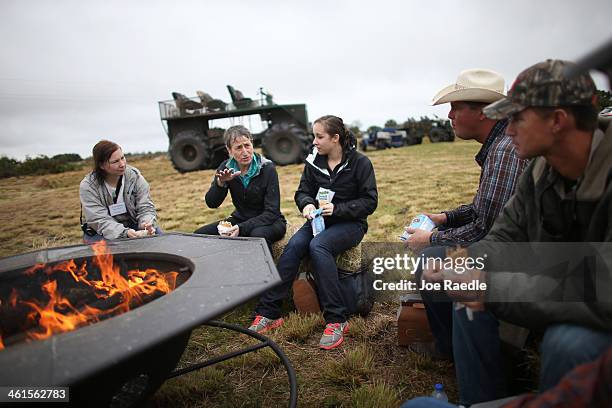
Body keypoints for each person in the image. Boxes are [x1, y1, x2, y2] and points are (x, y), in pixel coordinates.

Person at [423, 59, 612, 406]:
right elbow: (504, 236)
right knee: (467, 296)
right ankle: (480, 398)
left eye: (518, 118)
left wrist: (490, 287)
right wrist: (465, 261)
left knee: (569, 342)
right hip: (552, 280)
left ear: (557, 120)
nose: (508, 130)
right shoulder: (541, 168)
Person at [407, 69, 528, 360]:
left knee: (430, 259)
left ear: (484, 113)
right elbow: (482, 209)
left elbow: (487, 229)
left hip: (517, 255)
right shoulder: (500, 145)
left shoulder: (504, 151)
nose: (450, 116)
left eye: (456, 107)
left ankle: (449, 348)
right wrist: (445, 218)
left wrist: (431, 238)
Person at [247, 115, 378, 350]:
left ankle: (337, 320)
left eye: (319, 136)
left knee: (318, 247)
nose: (314, 142)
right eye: (313, 137)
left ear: (335, 138)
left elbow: (370, 202)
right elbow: (302, 192)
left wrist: (339, 208)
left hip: (351, 224)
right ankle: (269, 312)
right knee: (295, 245)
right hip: (318, 221)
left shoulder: (361, 163)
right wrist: (306, 204)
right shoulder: (313, 161)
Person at [194, 125, 286, 248]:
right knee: (199, 235)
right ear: (229, 150)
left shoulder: (267, 168)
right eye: (238, 148)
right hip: (240, 219)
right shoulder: (226, 168)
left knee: (256, 237)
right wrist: (220, 184)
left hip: (271, 222)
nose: (245, 152)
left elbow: (272, 212)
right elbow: (212, 203)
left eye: (247, 145)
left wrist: (241, 228)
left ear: (252, 144)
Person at [79, 140, 159, 242]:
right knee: (103, 254)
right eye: (115, 161)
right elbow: (99, 219)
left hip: (134, 224)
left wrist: (146, 224)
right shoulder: (88, 186)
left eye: (122, 158)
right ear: (101, 165)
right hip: (102, 231)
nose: (122, 164)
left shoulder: (134, 176)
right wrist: (125, 233)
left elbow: (145, 206)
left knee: (159, 241)